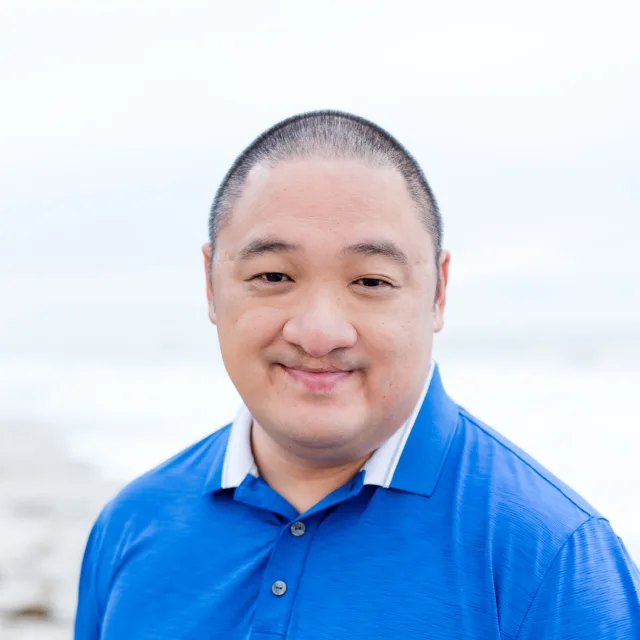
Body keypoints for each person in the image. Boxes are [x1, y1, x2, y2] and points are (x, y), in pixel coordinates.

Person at [74, 110, 640, 639]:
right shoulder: (131, 524)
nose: (319, 332)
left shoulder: (553, 557)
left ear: (438, 293)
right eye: (273, 275)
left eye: (370, 282)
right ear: (210, 284)